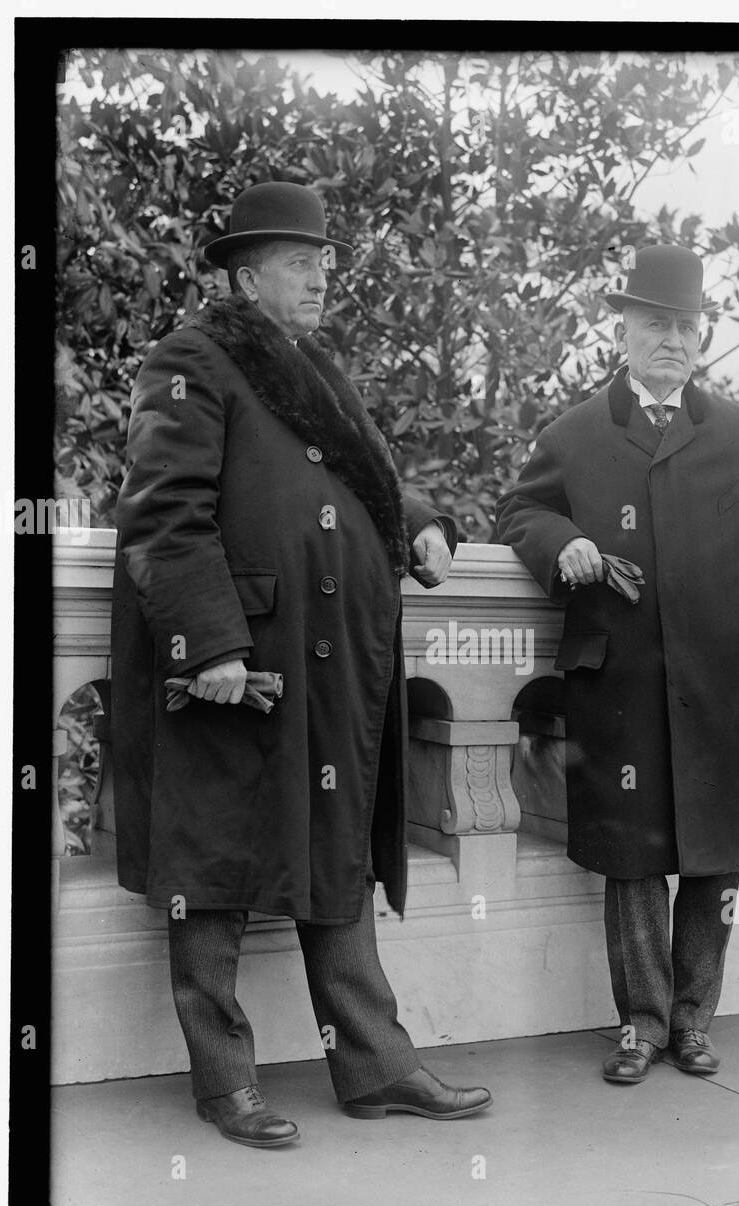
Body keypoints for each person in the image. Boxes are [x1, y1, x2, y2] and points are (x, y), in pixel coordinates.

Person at [111, 181, 491, 1146]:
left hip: (329, 667)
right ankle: (223, 1082)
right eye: (300, 264)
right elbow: (161, 512)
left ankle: (375, 1068)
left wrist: (422, 528)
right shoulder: (190, 359)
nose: (323, 278)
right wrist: (213, 644)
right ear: (246, 278)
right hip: (241, 662)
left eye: (325, 262)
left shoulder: (315, 367)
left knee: (337, 856)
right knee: (212, 862)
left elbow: (362, 479)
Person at [495, 244, 739, 1085]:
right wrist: (566, 542)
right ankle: (641, 1024)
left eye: (684, 325)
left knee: (715, 851)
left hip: (724, 679)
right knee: (632, 855)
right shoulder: (575, 432)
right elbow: (519, 509)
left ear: (703, 336)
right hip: (620, 679)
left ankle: (694, 1020)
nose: (670, 338)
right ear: (623, 327)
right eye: (654, 322)